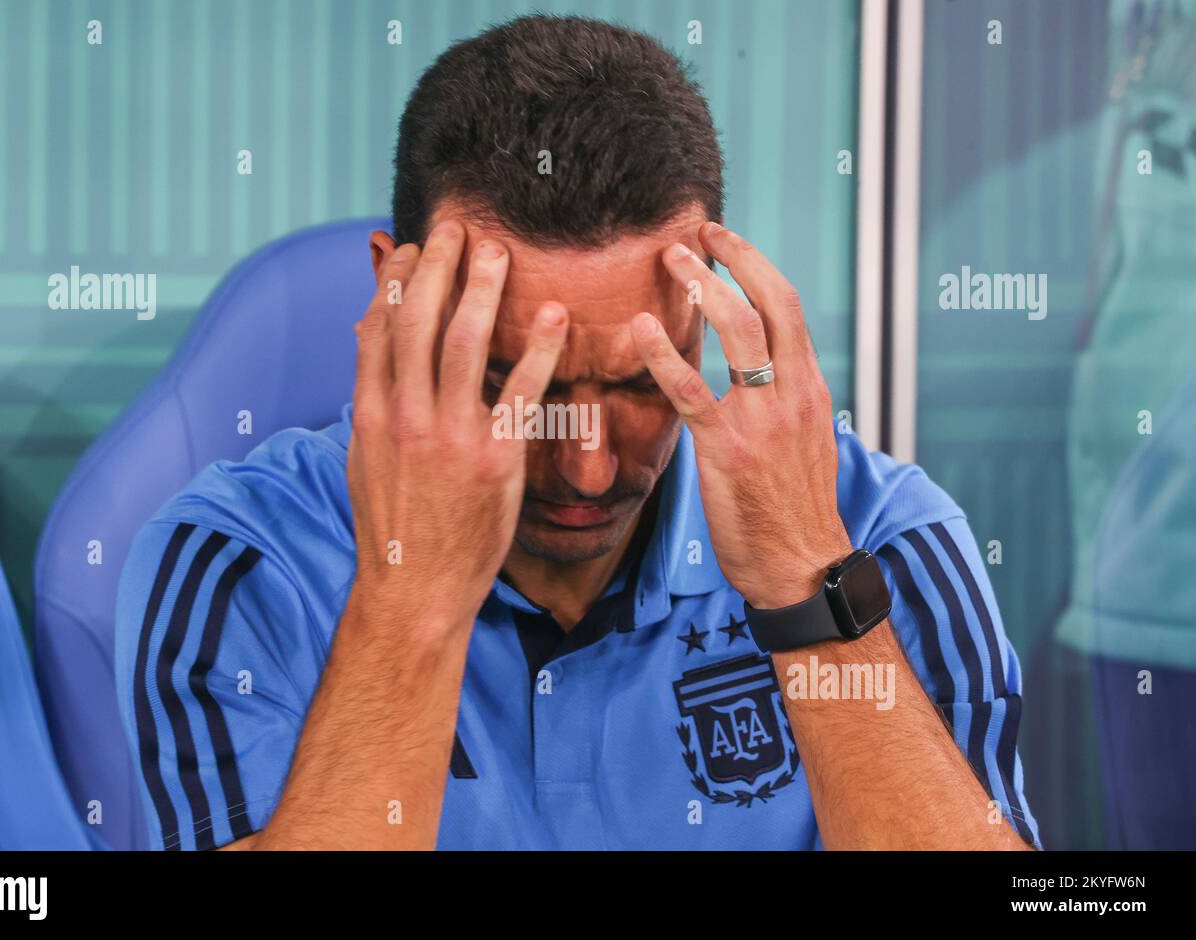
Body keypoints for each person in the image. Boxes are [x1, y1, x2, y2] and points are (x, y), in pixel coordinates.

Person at [114, 14, 1038, 850]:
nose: (590, 469)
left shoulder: (887, 541)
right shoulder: (237, 566)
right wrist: (414, 598)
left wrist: (811, 588)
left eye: (646, 381)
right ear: (395, 293)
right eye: (517, 383)